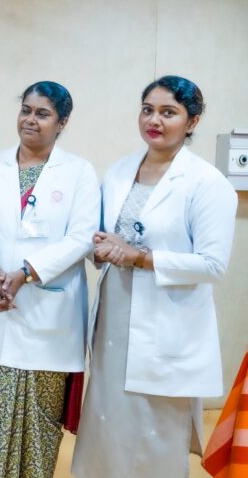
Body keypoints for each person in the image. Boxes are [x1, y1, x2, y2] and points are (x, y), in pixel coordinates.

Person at [72, 76, 237, 477]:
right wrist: (100, 247)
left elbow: (213, 265)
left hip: (168, 323)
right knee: (108, 423)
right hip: (114, 314)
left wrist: (141, 258)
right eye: (148, 110)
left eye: (168, 112)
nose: (154, 120)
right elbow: (102, 236)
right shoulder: (119, 171)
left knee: (154, 434)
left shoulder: (206, 182)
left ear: (192, 121)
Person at [0, 81, 99, 477]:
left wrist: (26, 272)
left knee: (38, 424)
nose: (30, 120)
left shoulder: (79, 172)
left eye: (42, 114)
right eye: (26, 110)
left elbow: (82, 237)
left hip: (49, 315)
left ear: (62, 122)